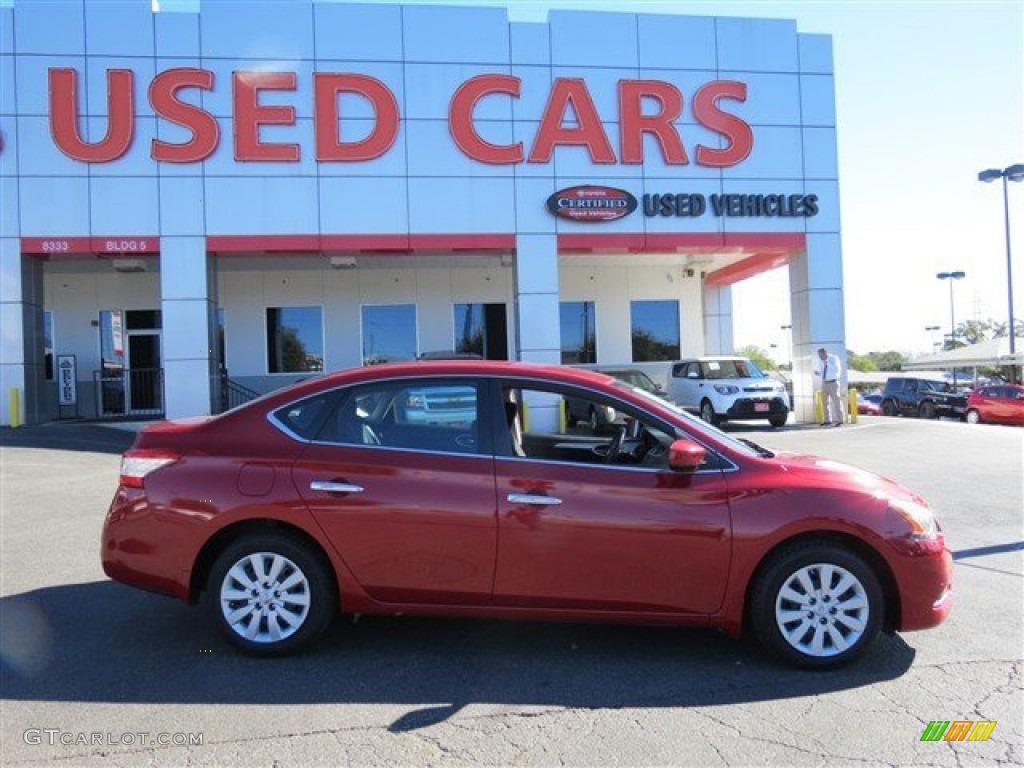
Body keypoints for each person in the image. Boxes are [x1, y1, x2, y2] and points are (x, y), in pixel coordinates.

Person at [817, 347, 843, 426]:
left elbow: (837, 370)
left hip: (833, 382)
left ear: (825, 353)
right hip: (824, 382)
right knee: (824, 402)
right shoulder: (821, 361)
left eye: (821, 355)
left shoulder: (834, 358)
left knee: (836, 402)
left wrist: (827, 362)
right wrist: (818, 373)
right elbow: (822, 371)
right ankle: (827, 420)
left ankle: (840, 420)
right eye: (819, 356)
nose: (820, 357)